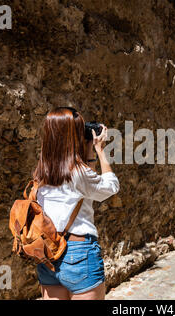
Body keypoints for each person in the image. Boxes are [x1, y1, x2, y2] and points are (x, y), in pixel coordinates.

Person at [32, 106, 119, 300]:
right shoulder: (78, 173)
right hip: (79, 254)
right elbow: (111, 186)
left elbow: (87, 186)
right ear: (73, 136)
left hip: (49, 253)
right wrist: (100, 151)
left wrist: (88, 155)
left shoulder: (41, 172)